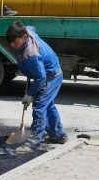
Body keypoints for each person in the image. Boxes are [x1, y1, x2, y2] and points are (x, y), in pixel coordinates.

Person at [5, 21, 68, 149]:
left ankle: (33, 141)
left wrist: (29, 94)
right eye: (10, 44)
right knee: (47, 105)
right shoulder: (27, 31)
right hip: (44, 75)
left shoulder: (31, 54)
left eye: (15, 43)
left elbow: (40, 78)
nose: (13, 46)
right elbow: (31, 27)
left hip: (51, 76)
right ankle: (59, 135)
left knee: (39, 105)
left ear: (24, 37)